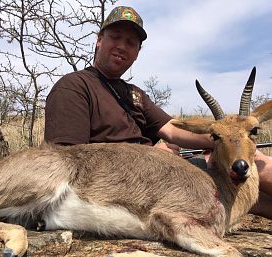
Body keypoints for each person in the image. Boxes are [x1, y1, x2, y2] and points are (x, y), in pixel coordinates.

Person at [44, 6, 272, 219]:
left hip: (159, 171)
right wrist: (153, 156)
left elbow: (172, 129)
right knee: (248, 169)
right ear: (99, 41)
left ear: (137, 52)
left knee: (249, 161)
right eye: (115, 37)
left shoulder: (134, 94)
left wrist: (226, 140)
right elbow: (67, 161)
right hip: (132, 181)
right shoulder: (74, 87)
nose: (122, 46)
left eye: (131, 43)